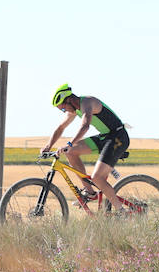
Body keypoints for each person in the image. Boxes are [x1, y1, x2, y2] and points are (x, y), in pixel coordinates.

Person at [41, 84, 130, 212]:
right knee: (71, 152)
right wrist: (48, 146)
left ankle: (122, 211)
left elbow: (85, 126)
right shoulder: (74, 109)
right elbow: (61, 128)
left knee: (97, 177)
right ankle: (89, 191)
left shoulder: (87, 102)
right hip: (105, 137)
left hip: (118, 137)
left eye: (63, 108)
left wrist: (69, 143)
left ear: (69, 100)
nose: (64, 112)